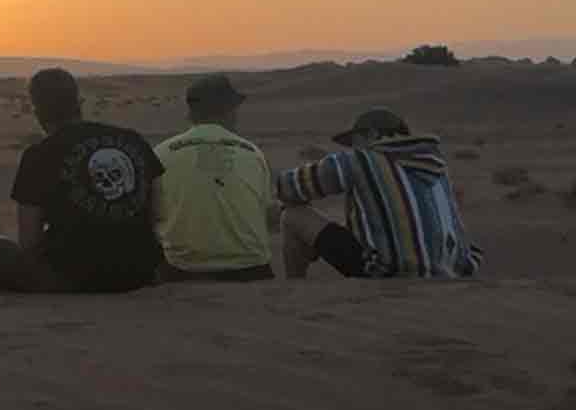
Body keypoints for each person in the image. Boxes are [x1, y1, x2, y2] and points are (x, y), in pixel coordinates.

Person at [0, 68, 163, 294]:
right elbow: (157, 213)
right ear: (78, 101)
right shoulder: (132, 140)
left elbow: (29, 241)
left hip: (71, 276)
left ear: (37, 111)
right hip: (140, 270)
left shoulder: (38, 155)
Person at [274, 107, 482, 279]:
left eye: (355, 141)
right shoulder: (437, 166)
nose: (354, 148)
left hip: (385, 271)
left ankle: (295, 289)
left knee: (293, 215)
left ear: (372, 135)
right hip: (451, 272)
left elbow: (287, 186)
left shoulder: (361, 161)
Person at [151, 73, 275, 281]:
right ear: (228, 110)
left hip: (183, 270)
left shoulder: (161, 153)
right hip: (251, 270)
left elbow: (153, 213)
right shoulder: (253, 153)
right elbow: (265, 213)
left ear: (191, 113)